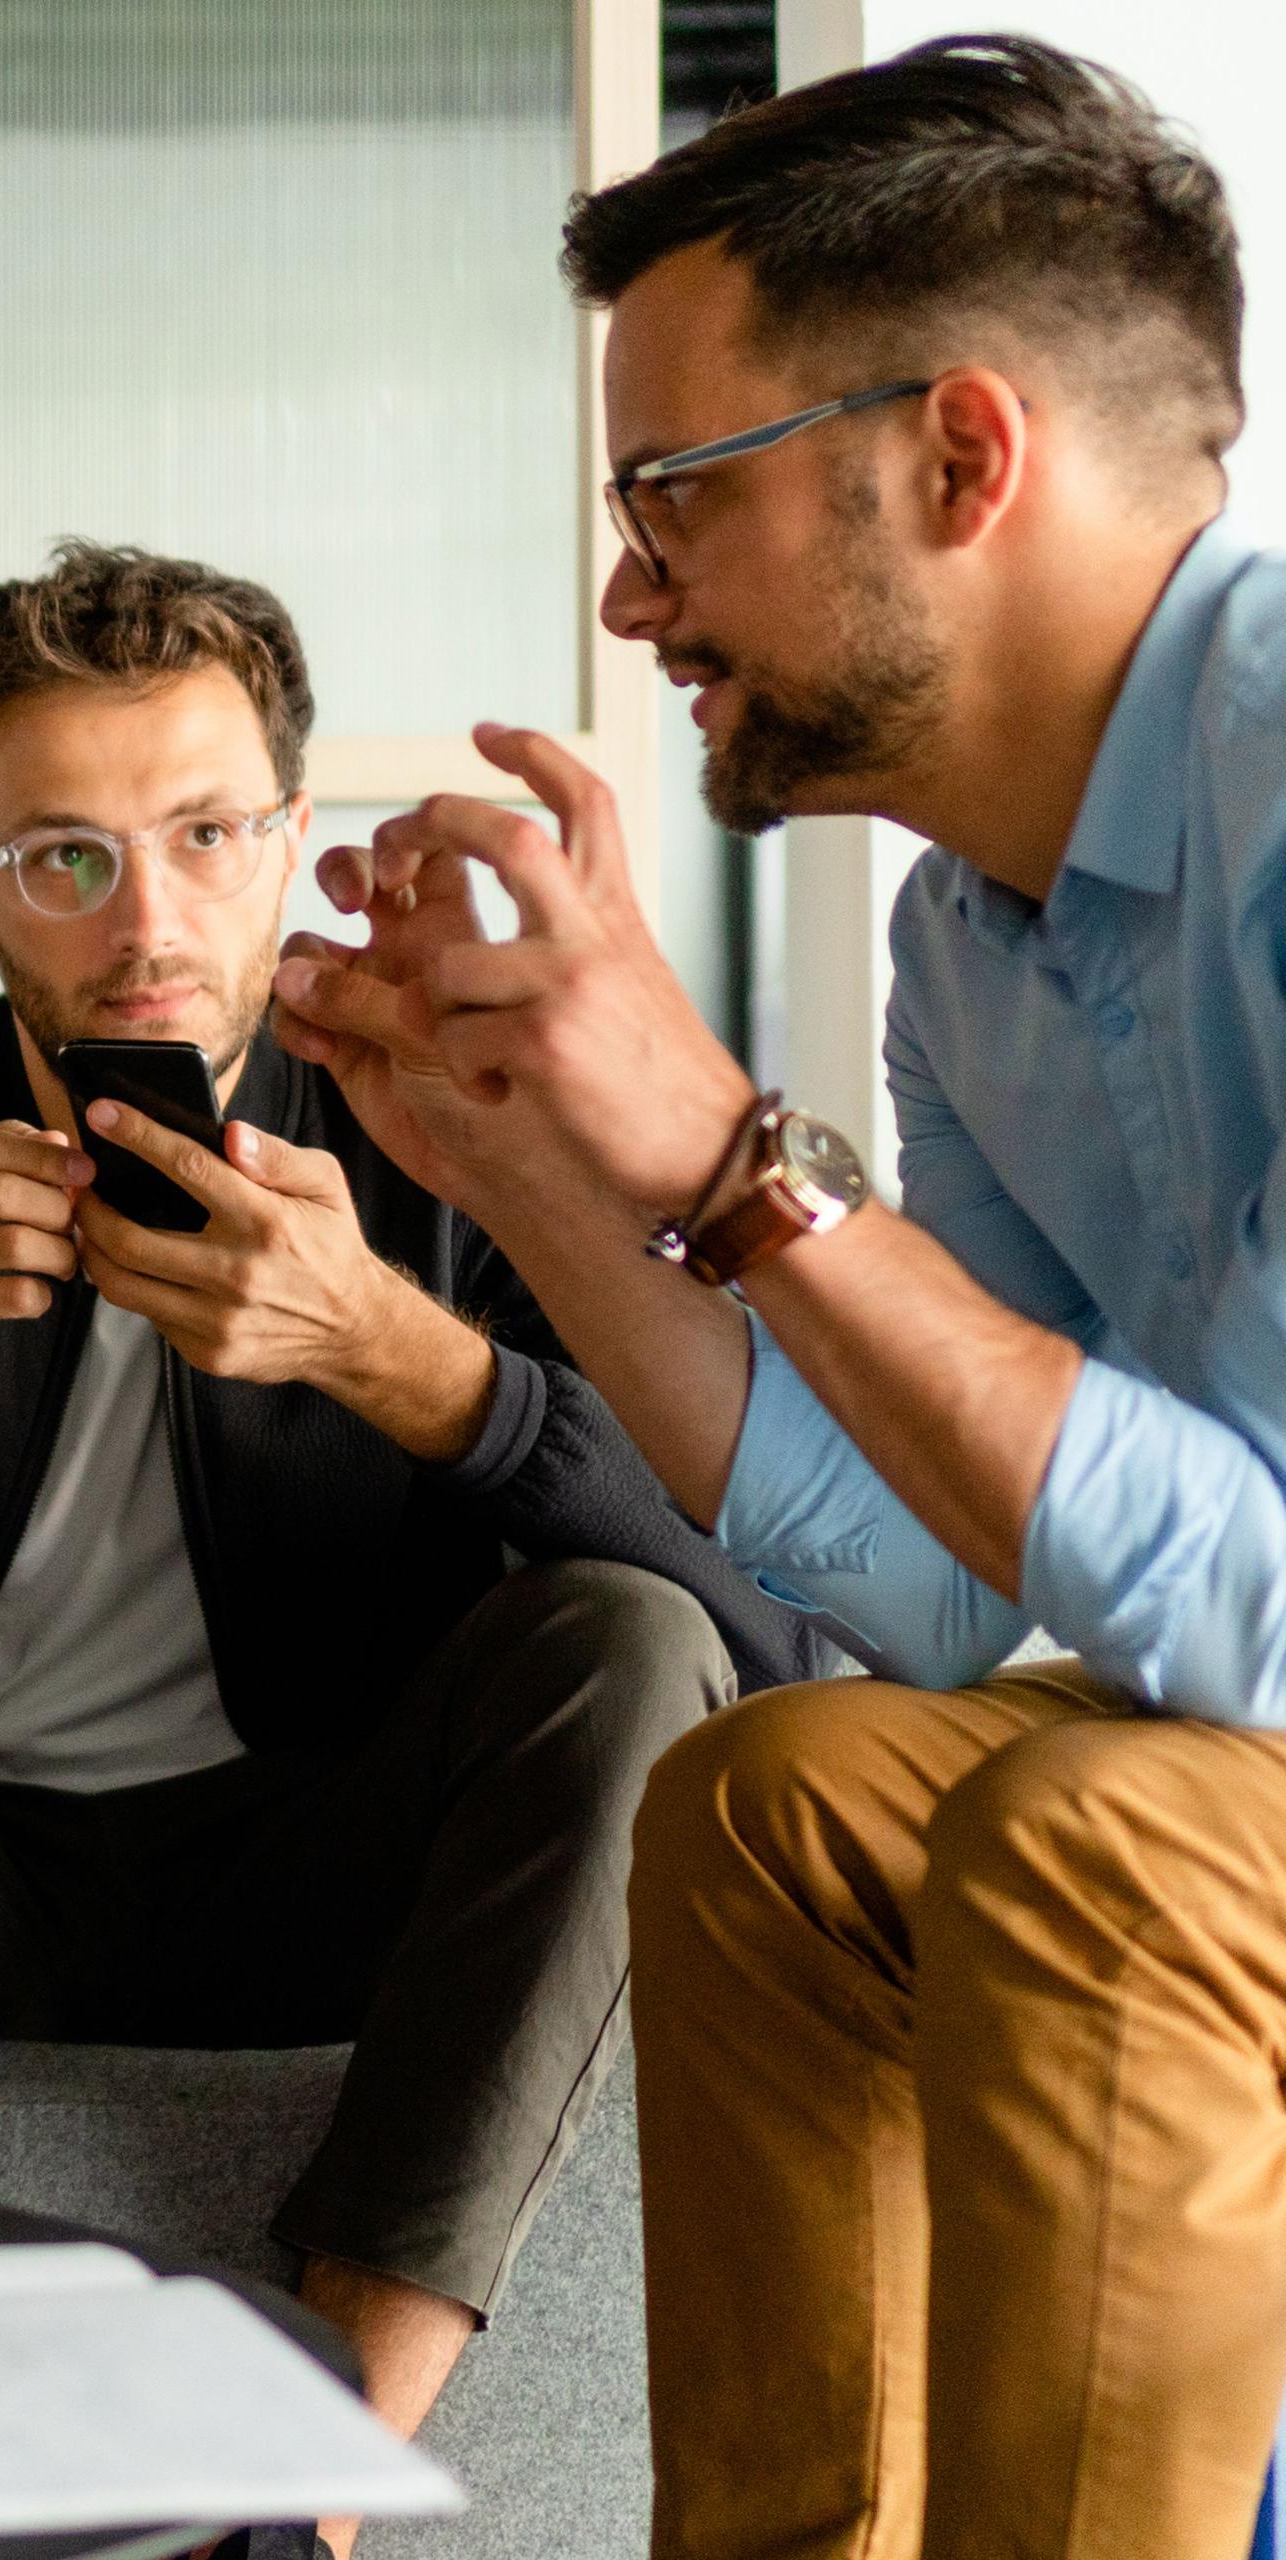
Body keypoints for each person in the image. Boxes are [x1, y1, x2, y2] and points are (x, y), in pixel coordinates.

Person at [0, 542, 812, 2492]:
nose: (147, 914)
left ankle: (320, 2469)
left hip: (320, 1870)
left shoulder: (455, 1138)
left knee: (625, 1635)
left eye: (202, 832)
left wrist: (411, 1361)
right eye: (64, 855)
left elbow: (767, 1637)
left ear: (289, 839)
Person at [272, 38, 1286, 2560]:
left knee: (1096, 1830)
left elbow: (1260, 1616)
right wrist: (532, 1176)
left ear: (957, 456)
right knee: (775, 1795)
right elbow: (958, 1587)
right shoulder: (973, 928)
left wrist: (731, 1153)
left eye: (671, 494)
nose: (628, 594)